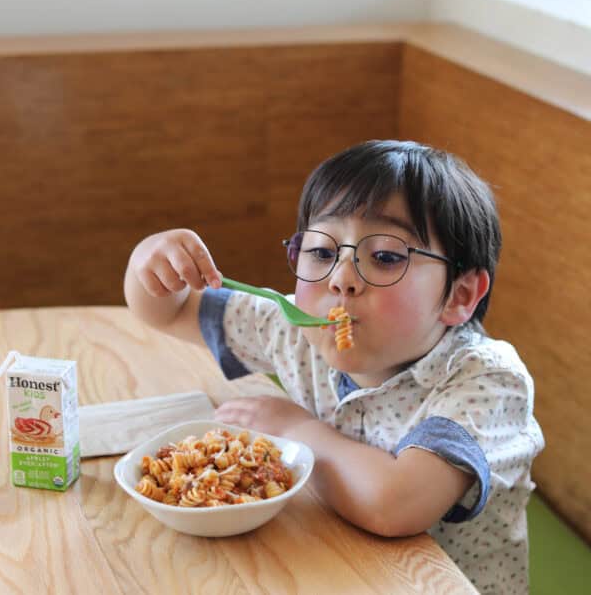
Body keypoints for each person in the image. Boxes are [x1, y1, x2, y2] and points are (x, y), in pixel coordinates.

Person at [124, 139, 544, 594]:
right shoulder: (294, 326)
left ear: (460, 295)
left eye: (385, 257)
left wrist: (294, 428)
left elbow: (394, 507)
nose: (341, 279)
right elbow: (165, 310)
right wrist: (151, 259)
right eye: (323, 252)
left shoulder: (486, 381)